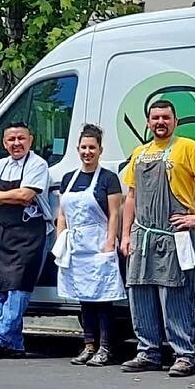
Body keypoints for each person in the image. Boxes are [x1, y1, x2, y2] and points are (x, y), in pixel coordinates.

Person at [119, 99, 195, 377]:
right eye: (155, 118)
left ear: (175, 121)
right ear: (148, 122)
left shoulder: (187, 148)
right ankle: (148, 352)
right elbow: (131, 196)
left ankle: (183, 355)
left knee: (176, 294)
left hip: (173, 234)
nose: (160, 122)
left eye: (165, 117)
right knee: (139, 294)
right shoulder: (139, 153)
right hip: (142, 235)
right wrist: (126, 235)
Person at [52, 124, 125, 366]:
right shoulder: (68, 179)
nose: (87, 151)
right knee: (84, 300)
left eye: (92, 147)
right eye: (83, 147)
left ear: (100, 149)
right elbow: (62, 214)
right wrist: (60, 239)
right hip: (76, 248)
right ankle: (88, 345)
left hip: (99, 245)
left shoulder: (108, 179)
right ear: (77, 149)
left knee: (103, 300)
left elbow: (115, 214)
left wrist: (109, 243)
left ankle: (105, 348)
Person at [0, 121, 52, 360]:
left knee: (19, 287)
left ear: (30, 140)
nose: (16, 143)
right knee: (2, 287)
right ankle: (15, 344)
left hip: (30, 233)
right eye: (11, 139)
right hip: (5, 231)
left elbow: (26, 194)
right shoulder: (0, 165)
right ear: (4, 143)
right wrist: (6, 197)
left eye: (21, 138)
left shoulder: (38, 165)